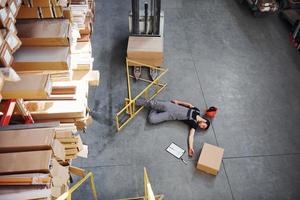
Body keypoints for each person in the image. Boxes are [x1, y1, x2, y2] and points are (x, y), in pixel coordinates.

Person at [136, 99, 210, 157]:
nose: (201, 127)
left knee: (152, 120)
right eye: (203, 126)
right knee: (152, 103)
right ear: (205, 121)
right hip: (171, 106)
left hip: (170, 116)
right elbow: (189, 105)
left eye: (202, 128)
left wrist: (190, 148)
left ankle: (154, 108)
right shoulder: (197, 111)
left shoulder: (194, 125)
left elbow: (191, 136)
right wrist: (178, 102)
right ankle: (136, 102)